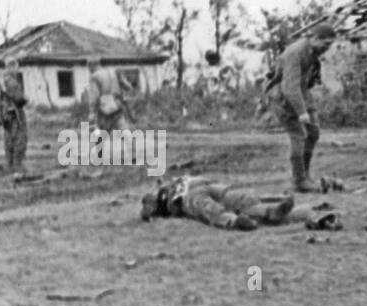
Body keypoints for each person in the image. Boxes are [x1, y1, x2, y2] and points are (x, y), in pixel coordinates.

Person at [265, 23, 338, 192]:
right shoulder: (295, 52)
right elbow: (289, 87)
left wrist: (306, 107)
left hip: (301, 93)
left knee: (313, 133)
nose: (326, 49)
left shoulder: (312, 52)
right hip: (282, 98)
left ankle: (305, 176)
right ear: (314, 38)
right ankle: (299, 181)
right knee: (299, 135)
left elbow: (303, 83)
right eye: (325, 44)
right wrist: (301, 112)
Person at [139, 174, 341, 231]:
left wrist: (232, 221)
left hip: (216, 195)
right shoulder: (178, 184)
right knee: (250, 203)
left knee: (251, 208)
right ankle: (309, 213)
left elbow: (208, 210)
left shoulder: (182, 198)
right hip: (223, 190)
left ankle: (276, 211)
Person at [0, 57, 28, 171]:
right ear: (11, 66)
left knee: (9, 139)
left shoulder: (1, 81)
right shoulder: (12, 82)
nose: (17, 69)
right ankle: (17, 165)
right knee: (20, 138)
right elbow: (19, 99)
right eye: (15, 67)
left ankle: (9, 164)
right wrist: (25, 98)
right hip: (15, 114)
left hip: (5, 115)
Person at [86, 57, 131, 137]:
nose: (89, 69)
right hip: (118, 105)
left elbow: (94, 96)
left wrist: (92, 112)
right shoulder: (113, 72)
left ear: (91, 65)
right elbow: (128, 87)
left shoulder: (94, 76)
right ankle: (133, 148)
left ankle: (99, 148)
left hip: (105, 108)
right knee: (124, 131)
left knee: (98, 132)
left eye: (88, 67)